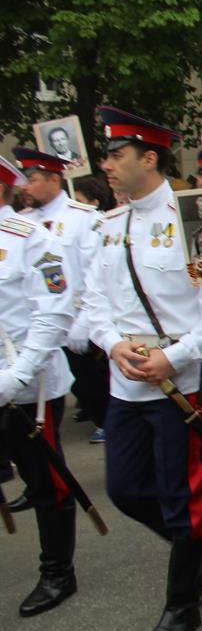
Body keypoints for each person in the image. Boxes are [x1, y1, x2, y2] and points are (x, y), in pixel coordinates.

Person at [82, 106, 202, 631]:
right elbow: (95, 302)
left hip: (183, 379)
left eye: (116, 155)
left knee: (183, 495)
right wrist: (113, 343)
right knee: (125, 489)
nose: (107, 165)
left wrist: (177, 356)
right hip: (128, 379)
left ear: (150, 158)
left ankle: (181, 603)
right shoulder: (107, 225)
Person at [0, 155, 78, 615]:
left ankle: (57, 572)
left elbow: (53, 311)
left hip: (25, 388)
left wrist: (19, 375)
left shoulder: (31, 240)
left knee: (45, 480)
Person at [12, 147, 106, 452]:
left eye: (33, 178)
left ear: (55, 179)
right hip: (40, 324)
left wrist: (86, 319)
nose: (26, 186)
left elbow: (96, 271)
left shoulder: (82, 217)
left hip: (78, 324)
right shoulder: (22, 221)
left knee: (94, 392)